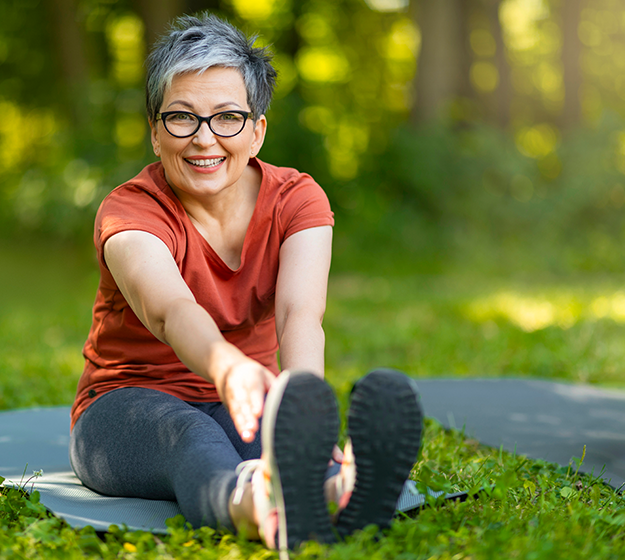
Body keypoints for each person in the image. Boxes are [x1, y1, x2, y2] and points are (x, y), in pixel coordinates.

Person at [69, 13, 424, 553]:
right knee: (191, 438)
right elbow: (169, 309)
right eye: (181, 118)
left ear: (257, 130)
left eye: (227, 118)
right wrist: (226, 365)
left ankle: (341, 491)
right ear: (155, 132)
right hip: (124, 405)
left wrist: (306, 413)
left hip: (248, 400)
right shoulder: (129, 212)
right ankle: (258, 508)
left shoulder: (298, 200)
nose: (204, 139)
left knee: (280, 449)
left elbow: (299, 315)